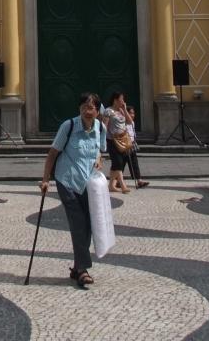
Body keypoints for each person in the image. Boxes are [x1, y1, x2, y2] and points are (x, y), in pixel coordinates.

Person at [39, 93, 106, 290]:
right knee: (78, 222)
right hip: (67, 180)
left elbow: (100, 150)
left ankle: (77, 267)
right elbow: (53, 153)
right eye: (84, 107)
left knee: (89, 224)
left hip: (88, 183)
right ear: (79, 109)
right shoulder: (68, 126)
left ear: (97, 111)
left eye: (91, 108)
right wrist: (45, 180)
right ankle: (83, 270)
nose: (87, 111)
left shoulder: (100, 128)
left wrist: (98, 159)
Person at [101, 92, 132, 194]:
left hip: (123, 140)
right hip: (112, 140)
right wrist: (103, 140)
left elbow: (129, 122)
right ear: (115, 100)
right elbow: (104, 126)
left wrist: (125, 110)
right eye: (121, 99)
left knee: (117, 163)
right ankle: (123, 186)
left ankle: (111, 185)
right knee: (118, 162)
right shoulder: (108, 111)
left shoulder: (121, 111)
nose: (123, 101)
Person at [122, 104, 148, 190]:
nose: (132, 115)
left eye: (133, 113)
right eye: (130, 113)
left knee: (134, 163)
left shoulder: (132, 123)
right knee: (121, 164)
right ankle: (117, 180)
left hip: (132, 145)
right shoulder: (123, 123)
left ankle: (139, 180)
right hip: (125, 145)